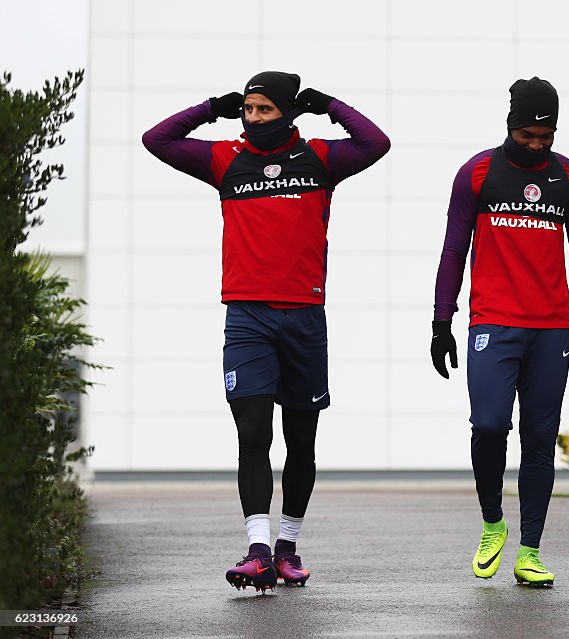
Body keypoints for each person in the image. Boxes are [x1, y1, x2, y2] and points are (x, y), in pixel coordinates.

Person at [142, 71, 390, 592]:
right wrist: (212, 107)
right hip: (247, 317)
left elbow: (376, 143)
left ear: (288, 113)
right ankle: (257, 550)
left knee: (301, 440)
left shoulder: (321, 158)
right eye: (247, 110)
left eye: (264, 110)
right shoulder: (225, 160)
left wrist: (327, 104)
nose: (252, 118)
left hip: (304, 319)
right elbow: (156, 140)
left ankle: (288, 548)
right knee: (253, 433)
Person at [431, 77, 569, 587]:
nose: (537, 145)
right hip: (493, 321)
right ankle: (493, 524)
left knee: (539, 438)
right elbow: (453, 249)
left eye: (546, 137)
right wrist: (441, 320)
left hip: (552, 327)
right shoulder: (478, 173)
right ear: (511, 126)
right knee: (489, 426)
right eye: (529, 135)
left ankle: (530, 549)